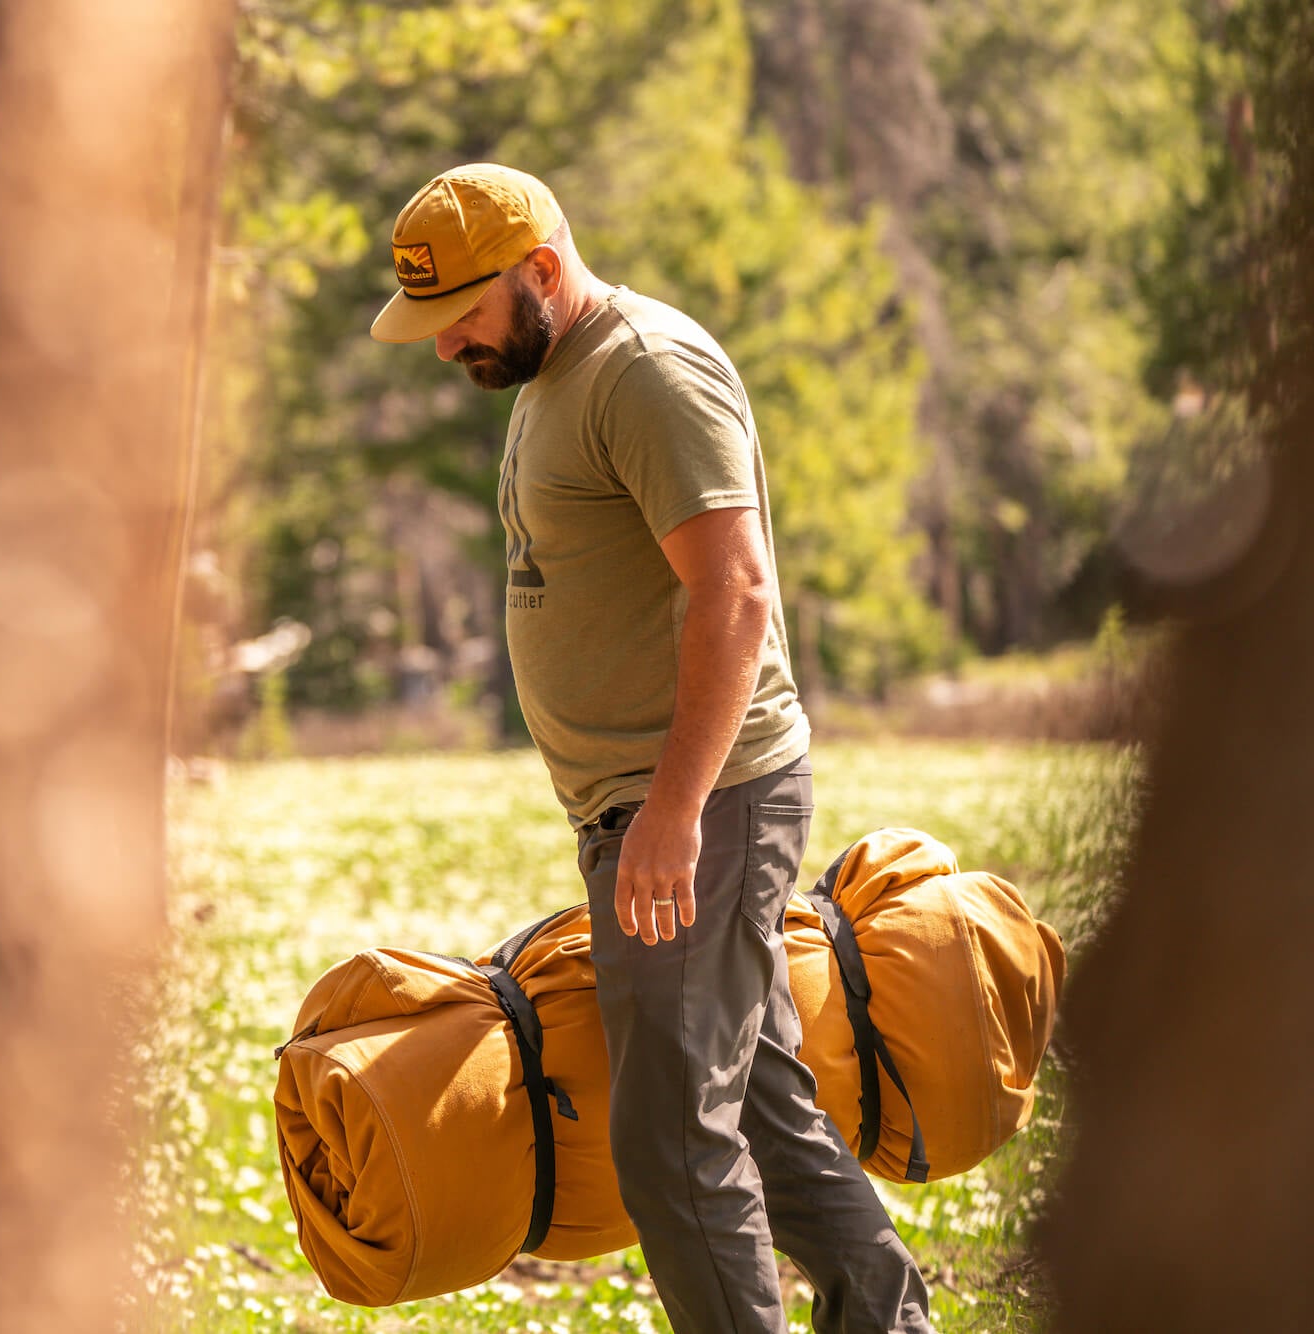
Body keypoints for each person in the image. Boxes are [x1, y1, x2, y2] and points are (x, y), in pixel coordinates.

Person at [368, 163, 933, 1334]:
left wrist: (671, 814)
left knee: (672, 1141)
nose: (443, 348)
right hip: (646, 806)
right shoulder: (546, 368)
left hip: (698, 802)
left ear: (538, 269)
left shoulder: (644, 369)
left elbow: (731, 590)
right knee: (757, 1109)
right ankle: (890, 1314)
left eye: (458, 315)